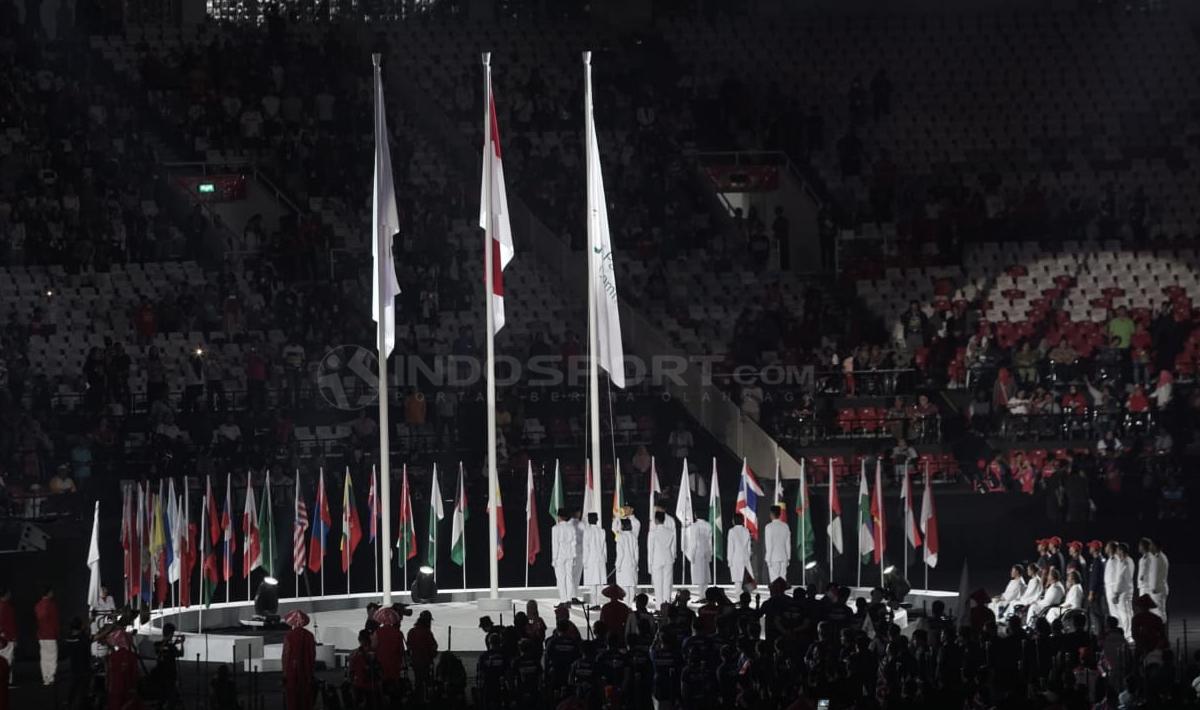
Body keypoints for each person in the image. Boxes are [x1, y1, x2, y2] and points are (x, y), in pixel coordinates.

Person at [281, 610, 316, 710]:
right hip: (306, 671)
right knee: (305, 699)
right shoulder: (310, 636)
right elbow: (312, 655)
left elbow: (285, 655)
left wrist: (284, 673)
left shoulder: (289, 636)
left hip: (291, 671)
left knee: (292, 699)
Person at [372, 606, 406, 696]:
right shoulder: (398, 633)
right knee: (394, 684)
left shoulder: (377, 632)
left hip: (382, 663)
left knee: (383, 684)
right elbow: (401, 650)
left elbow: (374, 646)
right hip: (395, 663)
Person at [682, 499, 713, 596]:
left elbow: (694, 541)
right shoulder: (708, 525)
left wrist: (691, 555)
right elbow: (710, 541)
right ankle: (704, 594)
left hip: (698, 552)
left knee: (699, 574)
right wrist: (710, 553)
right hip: (706, 550)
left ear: (696, 515)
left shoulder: (694, 526)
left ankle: (701, 595)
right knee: (705, 574)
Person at [1104, 542, 1135, 640]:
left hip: (1122, 592)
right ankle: (1122, 634)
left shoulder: (1124, 562)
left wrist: (1115, 592)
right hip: (1118, 591)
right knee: (1118, 614)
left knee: (1125, 614)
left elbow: (1119, 578)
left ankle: (1128, 635)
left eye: (1118, 550)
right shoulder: (1122, 561)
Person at [105, 630, 140, 710]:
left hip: (113, 690)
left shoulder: (112, 657)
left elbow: (108, 674)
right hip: (127, 690)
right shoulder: (131, 656)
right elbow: (135, 675)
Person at [407, 610, 438, 700]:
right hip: (426, 661)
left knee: (418, 681)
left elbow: (409, 647)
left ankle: (418, 699)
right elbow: (434, 646)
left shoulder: (411, 632)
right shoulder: (427, 632)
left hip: (415, 662)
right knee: (427, 682)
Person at [647, 510, 676, 606]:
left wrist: (649, 565)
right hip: (668, 558)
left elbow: (650, 550)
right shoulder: (670, 532)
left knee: (658, 585)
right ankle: (667, 605)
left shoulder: (652, 533)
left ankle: (659, 607)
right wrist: (672, 558)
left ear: (656, 520)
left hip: (657, 559)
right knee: (667, 584)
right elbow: (673, 548)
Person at [1137, 537, 1168, 621]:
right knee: (1155, 612)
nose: (1149, 547)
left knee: (1159, 612)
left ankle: (1162, 631)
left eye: (1151, 545)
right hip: (1155, 588)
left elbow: (1155, 574)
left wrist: (1153, 587)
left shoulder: (1158, 558)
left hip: (1157, 589)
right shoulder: (1157, 557)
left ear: (1155, 546)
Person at [552, 509, 579, 603]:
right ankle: (568, 599)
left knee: (561, 578)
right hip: (570, 554)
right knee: (569, 577)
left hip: (560, 555)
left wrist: (554, 558)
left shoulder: (555, 528)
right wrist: (574, 555)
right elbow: (574, 543)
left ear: (559, 517)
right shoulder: (571, 527)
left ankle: (563, 600)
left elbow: (555, 544)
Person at [347, 629, 379, 707]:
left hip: (358, 683)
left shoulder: (354, 654)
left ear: (359, 640)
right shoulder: (374, 653)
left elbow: (351, 670)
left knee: (358, 702)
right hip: (371, 683)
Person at [35, 585, 59, 686]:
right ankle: (52, 676)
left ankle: (45, 678)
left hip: (41, 634)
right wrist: (57, 633)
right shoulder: (51, 605)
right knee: (52, 657)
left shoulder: (37, 605)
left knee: (44, 658)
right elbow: (55, 621)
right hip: (50, 634)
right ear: (48, 593)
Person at [581, 513, 607, 607]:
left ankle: (595, 603)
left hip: (591, 559)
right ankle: (598, 603)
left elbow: (586, 547)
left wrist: (585, 561)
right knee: (598, 582)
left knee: (593, 583)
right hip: (600, 559)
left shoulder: (587, 531)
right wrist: (605, 558)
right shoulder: (602, 531)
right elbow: (604, 547)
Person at [614, 516, 639, 603]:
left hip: (623, 566)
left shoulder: (620, 537)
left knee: (624, 588)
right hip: (632, 565)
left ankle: (625, 606)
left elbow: (620, 553)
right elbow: (636, 554)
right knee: (631, 587)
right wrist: (636, 564)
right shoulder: (634, 537)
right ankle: (629, 606)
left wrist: (618, 565)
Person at [726, 513, 753, 590]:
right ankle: (745, 599)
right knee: (746, 581)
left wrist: (729, 560)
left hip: (735, 558)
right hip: (745, 557)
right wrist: (748, 556)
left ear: (734, 520)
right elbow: (749, 547)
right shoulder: (746, 530)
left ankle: (738, 599)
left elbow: (731, 548)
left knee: (738, 581)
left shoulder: (732, 531)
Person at [1086, 540, 1108, 634]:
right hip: (1101, 591)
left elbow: (1094, 578)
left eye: (1091, 547)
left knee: (1096, 613)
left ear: (1095, 549)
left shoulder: (1097, 560)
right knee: (1100, 613)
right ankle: (1101, 632)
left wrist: (1091, 592)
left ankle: (1099, 633)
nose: (1089, 548)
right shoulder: (1102, 559)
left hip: (1096, 592)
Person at [764, 505, 790, 583]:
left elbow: (769, 545)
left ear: (771, 514)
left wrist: (768, 559)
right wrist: (788, 557)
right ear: (780, 514)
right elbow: (788, 544)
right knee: (783, 580)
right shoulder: (785, 526)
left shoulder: (768, 527)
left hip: (773, 558)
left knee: (774, 581)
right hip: (783, 556)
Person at [0, 588, 14, 685]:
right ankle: (6, 680)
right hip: (7, 637)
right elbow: (10, 624)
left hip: (2, 635)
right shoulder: (7, 607)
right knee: (8, 659)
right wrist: (13, 637)